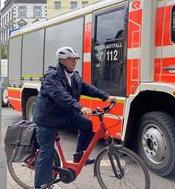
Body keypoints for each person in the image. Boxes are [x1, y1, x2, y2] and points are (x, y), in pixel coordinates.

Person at [33, 46, 117, 189]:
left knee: (86, 124)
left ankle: (79, 155)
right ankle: (41, 185)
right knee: (46, 152)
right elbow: (60, 95)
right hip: (48, 118)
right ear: (62, 60)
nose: (75, 61)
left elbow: (88, 88)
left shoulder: (74, 76)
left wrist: (106, 96)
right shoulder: (51, 76)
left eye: (76, 59)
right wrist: (80, 107)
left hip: (64, 114)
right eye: (72, 59)